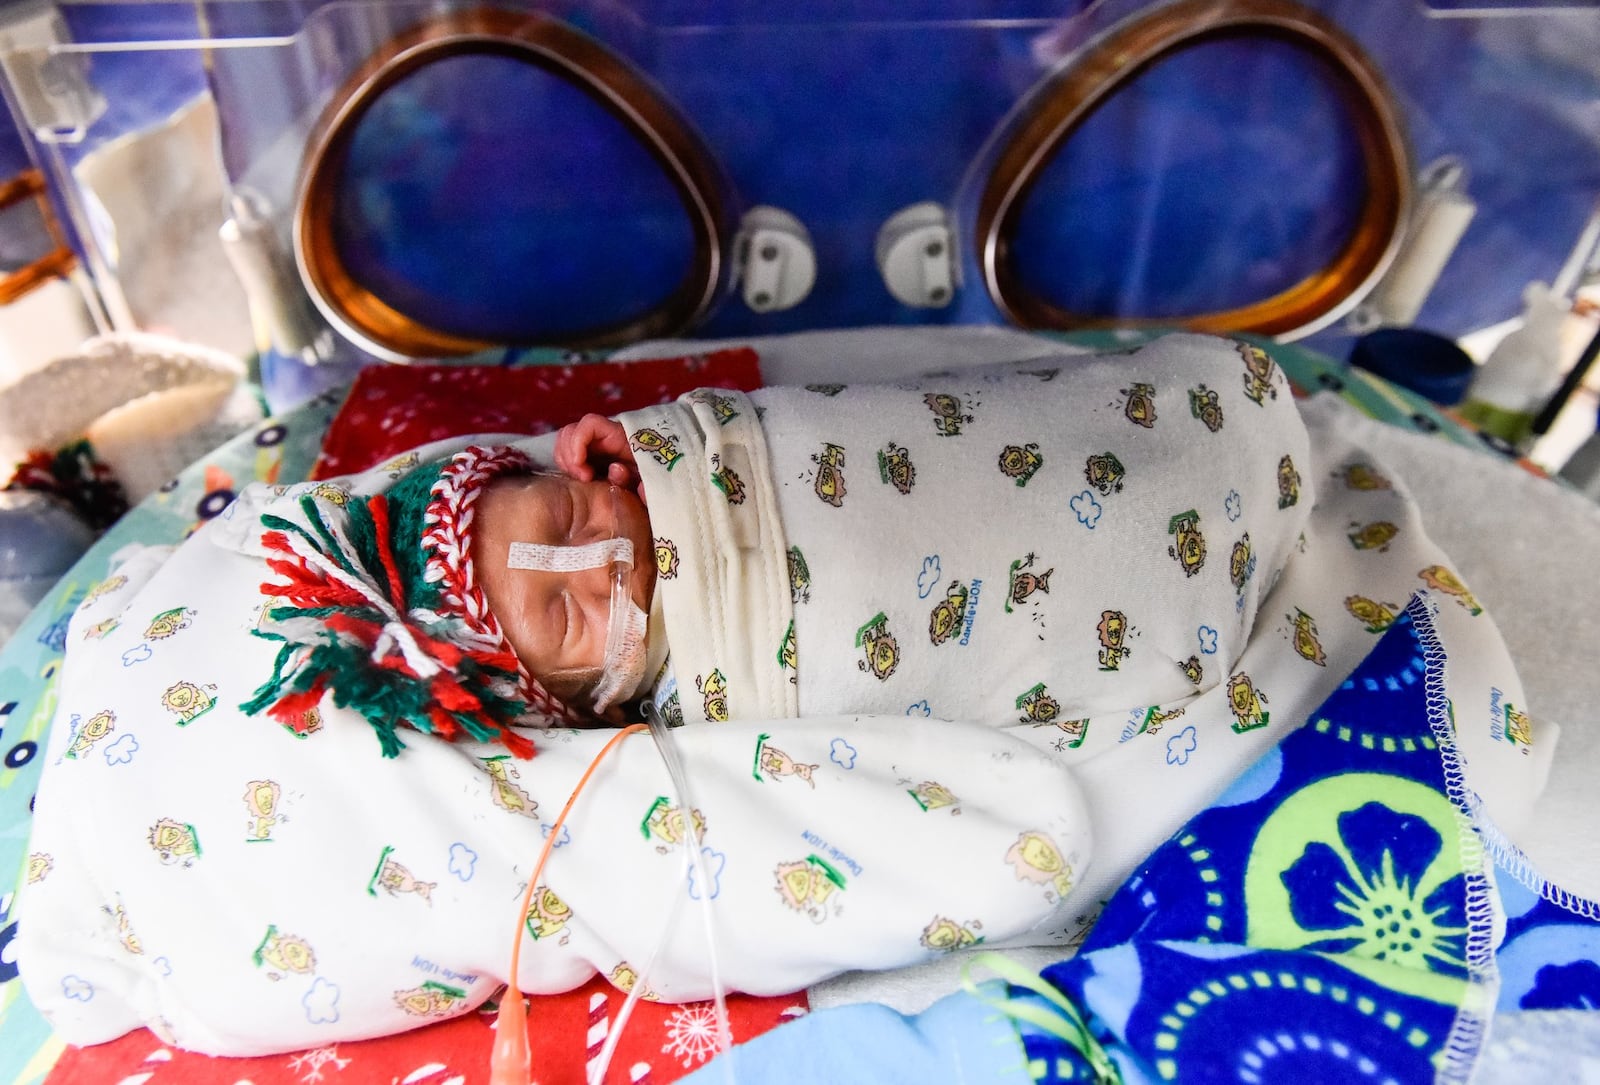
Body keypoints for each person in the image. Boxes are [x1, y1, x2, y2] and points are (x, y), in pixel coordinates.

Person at [14, 333, 1547, 1056]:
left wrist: (675, 477)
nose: (599, 568)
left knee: (1121, 440)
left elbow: (617, 477)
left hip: (870, 475)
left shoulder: (550, 495)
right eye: (556, 612)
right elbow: (998, 841)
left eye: (563, 526)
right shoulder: (541, 782)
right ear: (545, 714)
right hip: (976, 626)